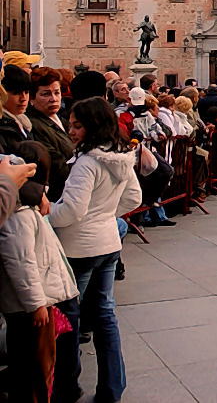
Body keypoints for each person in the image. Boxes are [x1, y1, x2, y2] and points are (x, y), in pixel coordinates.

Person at [50, 97, 142, 403]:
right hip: (107, 242)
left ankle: (67, 385)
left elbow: (71, 210)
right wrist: (105, 215)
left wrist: (46, 213)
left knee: (69, 316)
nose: (71, 131)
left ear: (92, 126)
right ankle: (112, 387)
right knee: (104, 314)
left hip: (79, 246)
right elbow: (133, 197)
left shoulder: (87, 162)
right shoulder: (120, 156)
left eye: (77, 125)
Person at [0, 142, 79, 403]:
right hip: (29, 307)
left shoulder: (26, 209)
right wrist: (36, 304)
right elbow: (21, 262)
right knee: (31, 369)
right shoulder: (18, 214)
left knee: (40, 365)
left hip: (38, 301)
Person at [28, 67, 75, 202]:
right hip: (58, 197)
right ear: (32, 97)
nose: (53, 99)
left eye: (57, 93)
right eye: (46, 94)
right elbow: (57, 165)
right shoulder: (33, 125)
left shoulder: (64, 120)